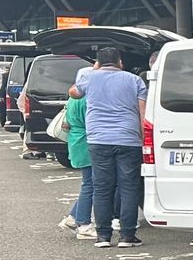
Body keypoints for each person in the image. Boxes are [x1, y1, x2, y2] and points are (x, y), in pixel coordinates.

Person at [78, 47, 147, 249]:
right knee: (129, 187)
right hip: (128, 139)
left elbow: (73, 93)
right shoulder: (135, 80)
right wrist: (144, 140)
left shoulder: (89, 78)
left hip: (98, 140)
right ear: (120, 62)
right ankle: (127, 236)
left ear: (98, 63)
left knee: (102, 187)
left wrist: (94, 71)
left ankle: (103, 236)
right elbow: (143, 115)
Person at [60, 82, 96, 237]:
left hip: (76, 139)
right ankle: (83, 223)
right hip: (87, 141)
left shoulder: (73, 97)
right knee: (92, 184)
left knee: (89, 182)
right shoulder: (88, 99)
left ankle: (73, 217)